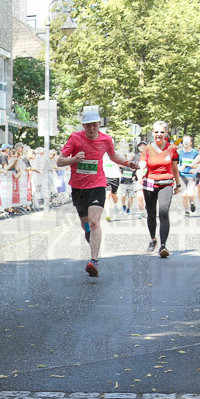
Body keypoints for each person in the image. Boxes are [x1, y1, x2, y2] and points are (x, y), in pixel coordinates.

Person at [55, 108, 138, 277]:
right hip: (78, 187)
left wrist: (127, 163)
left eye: (95, 125)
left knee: (94, 222)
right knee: (86, 225)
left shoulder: (106, 139)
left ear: (99, 124)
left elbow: (113, 156)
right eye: (88, 125)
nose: (92, 128)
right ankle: (90, 235)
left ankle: (94, 261)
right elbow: (59, 161)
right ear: (83, 126)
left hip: (98, 184)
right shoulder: (75, 138)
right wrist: (74, 159)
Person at [139, 121, 182, 256]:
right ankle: (153, 239)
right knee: (151, 213)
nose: (159, 134)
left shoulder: (172, 149)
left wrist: (178, 184)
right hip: (150, 184)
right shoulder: (147, 149)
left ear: (166, 133)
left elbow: (174, 168)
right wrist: (140, 172)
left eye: (162, 132)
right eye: (156, 132)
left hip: (166, 183)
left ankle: (163, 246)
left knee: (163, 212)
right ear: (152, 133)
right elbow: (142, 164)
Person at [176, 135, 199, 217]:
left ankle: (192, 203)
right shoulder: (179, 152)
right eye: (184, 141)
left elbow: (199, 163)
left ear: (191, 142)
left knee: (190, 193)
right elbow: (175, 164)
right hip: (182, 175)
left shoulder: (195, 152)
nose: (186, 142)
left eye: (187, 141)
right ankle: (186, 211)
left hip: (192, 175)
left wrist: (195, 168)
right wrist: (179, 168)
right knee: (183, 194)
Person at [102, 149, 121, 221]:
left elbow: (122, 163)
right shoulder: (102, 154)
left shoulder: (116, 153)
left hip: (115, 177)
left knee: (114, 194)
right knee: (108, 195)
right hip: (106, 177)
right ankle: (108, 214)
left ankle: (115, 204)